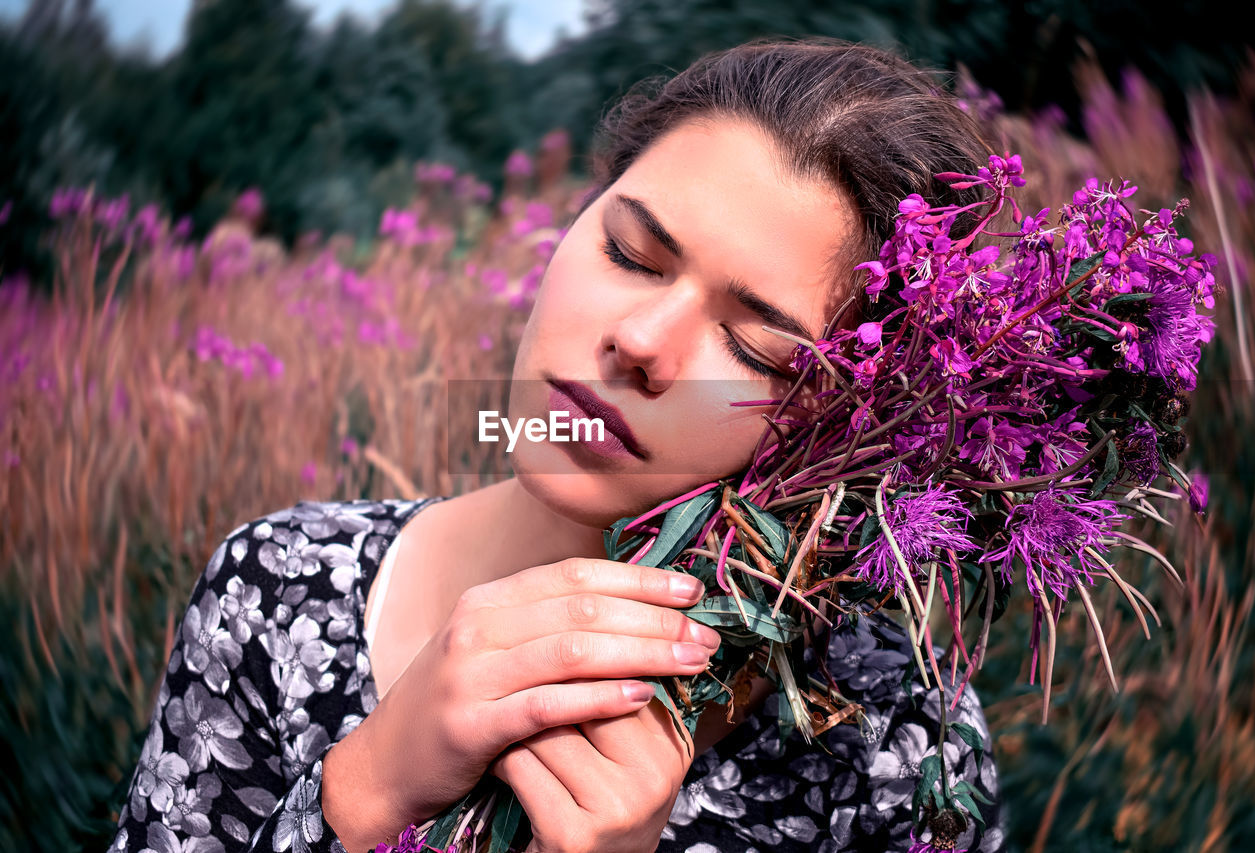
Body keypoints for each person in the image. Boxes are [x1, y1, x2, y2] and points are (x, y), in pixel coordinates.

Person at [110, 37, 1007, 853]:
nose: (643, 341)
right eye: (629, 252)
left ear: (852, 425)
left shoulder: (895, 744)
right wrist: (363, 789)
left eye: (753, 347)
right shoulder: (278, 587)